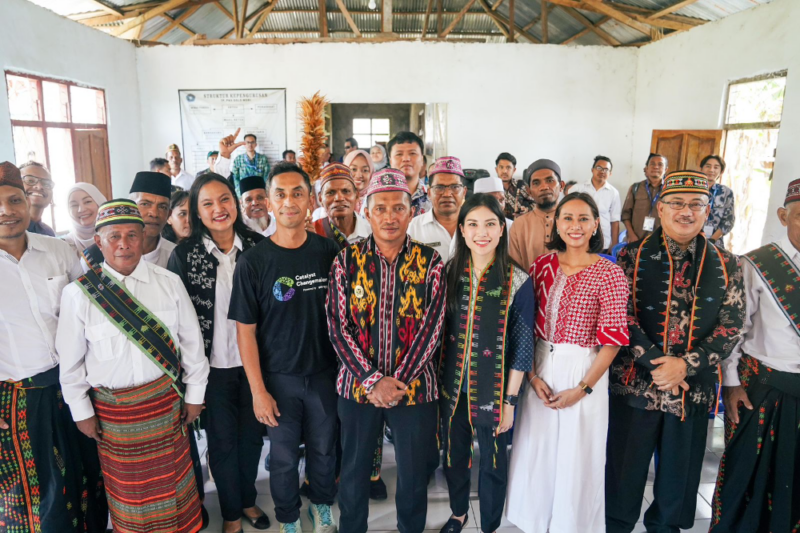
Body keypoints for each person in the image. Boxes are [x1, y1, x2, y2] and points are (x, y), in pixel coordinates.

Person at [56, 198, 210, 533]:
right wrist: (82, 414)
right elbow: (70, 367)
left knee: (176, 490)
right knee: (129, 500)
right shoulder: (79, 295)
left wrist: (195, 395)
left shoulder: (168, 283)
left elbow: (193, 348)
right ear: (99, 241)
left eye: (132, 235)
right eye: (114, 236)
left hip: (166, 410)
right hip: (114, 418)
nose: (124, 244)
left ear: (144, 237)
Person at [606, 171, 746, 533]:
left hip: (692, 390)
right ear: (660, 208)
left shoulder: (728, 263)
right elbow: (620, 315)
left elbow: (731, 326)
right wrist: (658, 365)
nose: (687, 212)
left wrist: (685, 365)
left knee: (677, 484)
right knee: (623, 477)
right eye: (677, 203)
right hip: (635, 386)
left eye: (697, 204)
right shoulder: (627, 257)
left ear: (708, 210)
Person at [328, 168, 446, 533]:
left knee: (412, 474)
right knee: (354, 470)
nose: (390, 216)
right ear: (367, 212)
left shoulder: (431, 262)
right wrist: (372, 380)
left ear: (412, 212)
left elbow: (433, 328)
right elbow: (337, 326)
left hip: (415, 389)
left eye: (398, 208)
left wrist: (397, 382)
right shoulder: (346, 262)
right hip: (357, 387)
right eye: (381, 208)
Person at [506, 192, 629, 533]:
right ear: (557, 223)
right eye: (567, 218)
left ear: (595, 224)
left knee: (578, 454)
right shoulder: (541, 266)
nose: (575, 226)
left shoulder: (609, 272)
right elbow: (524, 327)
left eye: (583, 219)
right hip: (540, 363)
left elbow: (613, 340)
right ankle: (534, 520)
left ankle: (572, 524)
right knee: (536, 447)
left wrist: (583, 388)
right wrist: (531, 376)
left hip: (585, 366)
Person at [229, 162, 340, 533]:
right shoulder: (253, 262)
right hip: (278, 379)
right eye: (280, 194)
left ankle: (321, 506)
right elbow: (245, 332)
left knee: (325, 450)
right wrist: (258, 391)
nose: (289, 201)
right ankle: (288, 518)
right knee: (282, 457)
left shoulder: (329, 251)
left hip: (325, 373)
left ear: (310, 200)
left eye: (297, 193)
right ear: (268, 202)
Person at [0, 161, 108, 533]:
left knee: (90, 473)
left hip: (74, 386)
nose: (6, 211)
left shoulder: (59, 252)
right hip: (18, 398)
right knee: (39, 493)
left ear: (26, 201)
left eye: (14, 200)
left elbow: (93, 310)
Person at [168, 173, 269, 533]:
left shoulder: (259, 247)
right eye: (207, 203)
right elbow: (177, 322)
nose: (218, 209)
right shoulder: (184, 255)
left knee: (253, 439)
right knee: (223, 442)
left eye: (224, 199)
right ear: (196, 212)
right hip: (212, 370)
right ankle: (230, 512)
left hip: (256, 366)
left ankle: (247, 500)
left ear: (236, 202)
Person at [438, 194, 534, 533]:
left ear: (501, 229)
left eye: (490, 224)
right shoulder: (449, 274)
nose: (482, 232)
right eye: (474, 224)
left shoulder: (518, 281)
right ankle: (458, 513)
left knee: (493, 462)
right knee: (454, 456)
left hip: (493, 392)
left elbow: (523, 347)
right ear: (462, 231)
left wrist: (510, 402)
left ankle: (490, 525)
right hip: (451, 388)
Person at [709, 178, 800, 532]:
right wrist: (730, 386)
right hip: (763, 389)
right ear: (783, 215)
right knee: (747, 478)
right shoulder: (758, 264)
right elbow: (734, 331)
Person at [82, 172, 177, 271]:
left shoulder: (175, 255)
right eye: (145, 204)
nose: (154, 213)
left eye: (163, 207)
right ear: (129, 207)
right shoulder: (93, 257)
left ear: (169, 214)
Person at [408, 156, 467, 262]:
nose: (447, 194)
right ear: (429, 193)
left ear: (464, 192)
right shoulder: (413, 227)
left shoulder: (475, 226)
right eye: (439, 187)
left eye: (454, 187)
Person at [508, 159, 563, 271]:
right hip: (530, 288)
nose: (544, 187)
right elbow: (515, 271)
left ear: (561, 185)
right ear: (529, 191)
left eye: (550, 180)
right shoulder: (519, 225)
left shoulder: (573, 221)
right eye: (536, 183)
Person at [313, 163, 372, 246]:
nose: (339, 198)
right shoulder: (313, 232)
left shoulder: (371, 232)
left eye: (346, 191)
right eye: (330, 192)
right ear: (320, 199)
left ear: (357, 196)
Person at [573, 155, 622, 252]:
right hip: (579, 239)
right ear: (592, 170)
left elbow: (615, 220)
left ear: (610, 173)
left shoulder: (613, 193)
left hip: (603, 242)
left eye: (606, 169)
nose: (602, 171)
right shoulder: (577, 189)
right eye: (599, 168)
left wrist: (614, 244)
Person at [621, 153, 668, 242]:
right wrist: (631, 235)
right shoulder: (635, 188)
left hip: (660, 242)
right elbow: (625, 215)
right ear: (646, 168)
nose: (656, 167)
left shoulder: (669, 191)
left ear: (666, 169)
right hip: (635, 239)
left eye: (660, 164)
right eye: (652, 164)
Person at [388, 131, 431, 216]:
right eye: (399, 154)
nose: (406, 159)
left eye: (412, 153)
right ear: (390, 161)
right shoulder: (376, 197)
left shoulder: (433, 197)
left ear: (422, 160)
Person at [700, 155, 735, 248]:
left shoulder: (726, 192)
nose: (711, 170)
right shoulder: (693, 190)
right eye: (708, 166)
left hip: (714, 244)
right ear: (701, 169)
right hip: (689, 241)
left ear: (721, 171)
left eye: (716, 167)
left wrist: (712, 240)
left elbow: (729, 221)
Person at [63, 182, 107, 257]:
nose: (81, 209)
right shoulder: (65, 244)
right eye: (74, 205)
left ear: (99, 203)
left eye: (87, 202)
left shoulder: (117, 237)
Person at [19, 161, 55, 236]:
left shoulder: (48, 233)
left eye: (46, 183)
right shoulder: (6, 231)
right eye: (30, 181)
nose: (39, 186)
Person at [344, 149, 374, 215]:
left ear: (371, 173)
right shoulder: (338, 199)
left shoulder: (376, 199)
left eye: (365, 170)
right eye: (353, 169)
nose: (359, 175)